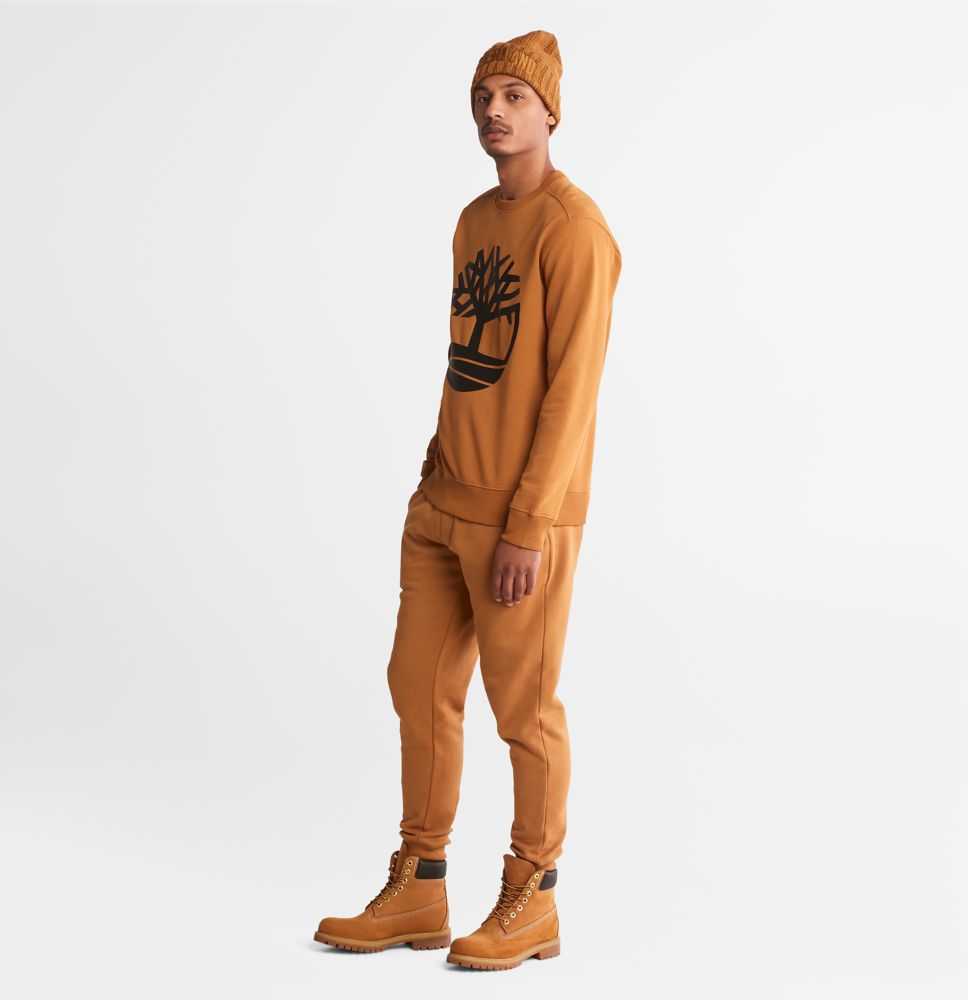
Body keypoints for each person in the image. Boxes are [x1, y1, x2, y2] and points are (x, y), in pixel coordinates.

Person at [314, 28, 622, 971]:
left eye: (514, 97)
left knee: (523, 712)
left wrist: (528, 524)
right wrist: (431, 476)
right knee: (416, 688)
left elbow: (571, 391)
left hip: (520, 521)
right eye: (484, 96)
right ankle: (421, 884)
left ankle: (534, 896)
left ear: (550, 112)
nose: (495, 111)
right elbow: (468, 366)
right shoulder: (473, 220)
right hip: (443, 503)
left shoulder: (575, 230)